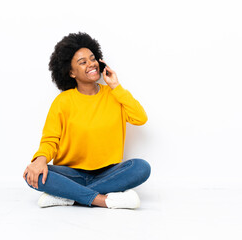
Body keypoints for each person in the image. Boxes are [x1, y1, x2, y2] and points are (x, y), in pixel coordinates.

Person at [23, 32, 151, 209]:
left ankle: (67, 196)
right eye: (82, 62)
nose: (91, 64)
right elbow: (50, 140)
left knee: (141, 167)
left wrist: (115, 86)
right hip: (71, 173)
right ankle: (103, 200)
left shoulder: (114, 94)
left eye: (92, 59)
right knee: (32, 174)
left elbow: (140, 118)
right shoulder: (63, 101)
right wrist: (40, 160)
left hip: (108, 172)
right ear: (71, 72)